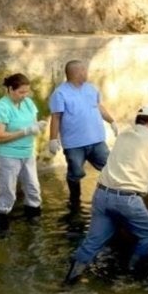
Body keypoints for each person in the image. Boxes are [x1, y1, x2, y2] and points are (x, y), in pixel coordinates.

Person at [64, 104, 148, 284]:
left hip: (101, 195)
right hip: (127, 200)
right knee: (147, 235)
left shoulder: (124, 135)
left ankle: (68, 282)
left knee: (92, 242)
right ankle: (132, 277)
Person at [48, 60, 119, 208]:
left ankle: (115, 197)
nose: (86, 73)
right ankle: (75, 201)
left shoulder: (91, 89)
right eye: (83, 71)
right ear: (75, 73)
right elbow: (56, 116)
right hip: (74, 144)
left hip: (97, 140)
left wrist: (111, 121)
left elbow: (99, 107)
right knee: (75, 173)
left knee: (110, 167)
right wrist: (53, 139)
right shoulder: (60, 93)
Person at [0, 73, 47, 233]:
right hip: (8, 155)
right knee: (8, 191)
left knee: (33, 188)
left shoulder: (28, 103)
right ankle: (2, 221)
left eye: (27, 92)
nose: (24, 95)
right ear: (10, 90)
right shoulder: (1, 106)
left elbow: (33, 124)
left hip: (28, 152)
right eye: (21, 92)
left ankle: (34, 220)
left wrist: (38, 127)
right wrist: (26, 131)